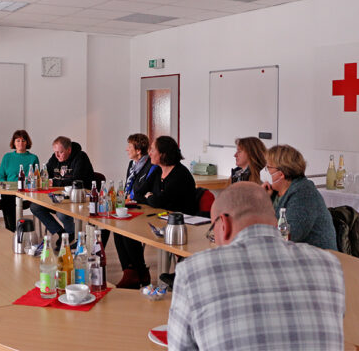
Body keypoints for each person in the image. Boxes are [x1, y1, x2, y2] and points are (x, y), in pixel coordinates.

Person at [168, 182, 345, 350]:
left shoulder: (192, 273)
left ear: (224, 225)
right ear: (275, 221)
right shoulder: (329, 266)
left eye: (213, 229)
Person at [262, 144, 337, 250]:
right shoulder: (275, 193)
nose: (266, 171)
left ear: (281, 174)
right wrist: (264, 200)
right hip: (294, 254)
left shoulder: (304, 193)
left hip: (317, 259)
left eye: (268, 168)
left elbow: (290, 235)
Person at [30, 136, 93, 248]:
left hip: (77, 197)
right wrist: (41, 178)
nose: (57, 155)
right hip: (59, 196)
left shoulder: (81, 157)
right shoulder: (55, 158)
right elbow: (43, 174)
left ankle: (70, 235)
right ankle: (61, 233)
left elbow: (76, 180)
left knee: (61, 212)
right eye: (55, 152)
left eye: (60, 152)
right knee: (35, 207)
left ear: (69, 150)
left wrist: (53, 182)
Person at [114, 134, 157, 289]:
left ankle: (139, 271)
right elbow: (130, 189)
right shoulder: (132, 165)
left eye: (129, 146)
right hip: (132, 205)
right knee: (116, 230)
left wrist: (131, 197)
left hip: (147, 209)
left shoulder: (151, 166)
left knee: (127, 231)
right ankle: (130, 271)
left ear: (138, 150)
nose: (127, 149)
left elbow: (141, 191)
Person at [135, 136, 197, 215]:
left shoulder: (180, 174)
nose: (149, 153)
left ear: (163, 154)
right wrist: (151, 198)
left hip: (181, 221)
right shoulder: (158, 170)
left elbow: (159, 202)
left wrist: (148, 196)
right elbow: (138, 194)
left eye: (153, 150)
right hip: (161, 217)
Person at [0, 130, 39, 232]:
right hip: (9, 191)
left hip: (26, 191)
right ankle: (11, 230)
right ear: (14, 142)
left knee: (8, 200)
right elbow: (0, 177)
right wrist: (6, 187)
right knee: (7, 198)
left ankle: (12, 230)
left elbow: (37, 178)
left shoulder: (33, 158)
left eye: (23, 140)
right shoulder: (7, 157)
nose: (20, 143)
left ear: (27, 142)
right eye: (18, 140)